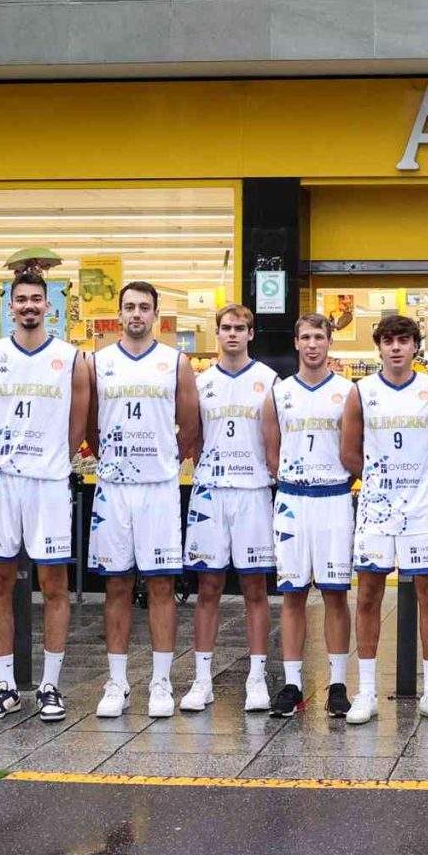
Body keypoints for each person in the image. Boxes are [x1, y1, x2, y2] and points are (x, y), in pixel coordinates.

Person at [0, 269, 88, 720]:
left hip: (49, 480)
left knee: (53, 584)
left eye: (36, 299)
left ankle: (50, 685)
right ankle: (5, 685)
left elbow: (78, 425)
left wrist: (53, 461)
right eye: (21, 299)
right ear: (10, 306)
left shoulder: (70, 357)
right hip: (1, 480)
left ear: (49, 306)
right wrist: (0, 456)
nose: (28, 307)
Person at [87, 281, 201, 718]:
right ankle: (117, 683)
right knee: (115, 584)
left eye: (144, 307)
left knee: (161, 585)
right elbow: (90, 425)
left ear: (156, 315)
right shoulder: (98, 364)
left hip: (158, 488)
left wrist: (162, 461)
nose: (137, 314)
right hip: (113, 487)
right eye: (130, 307)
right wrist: (113, 461)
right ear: (119, 314)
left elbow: (188, 426)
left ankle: (160, 681)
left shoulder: (175, 363)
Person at [344, 313, 428, 725]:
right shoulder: (361, 392)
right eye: (388, 340)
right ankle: (367, 691)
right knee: (369, 594)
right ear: (379, 347)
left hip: (421, 507)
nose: (395, 347)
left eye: (403, 340)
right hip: (376, 507)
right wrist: (379, 483)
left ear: (415, 346)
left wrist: (417, 480)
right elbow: (349, 453)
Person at [268, 312, 361, 719]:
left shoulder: (348, 391)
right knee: (293, 594)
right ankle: (292, 683)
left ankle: (338, 683)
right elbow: (271, 450)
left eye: (319, 337)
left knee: (336, 593)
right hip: (292, 498)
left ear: (329, 343)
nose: (312, 344)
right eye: (305, 337)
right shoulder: (279, 392)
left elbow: (355, 447)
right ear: (296, 342)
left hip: (334, 497)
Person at [188, 303, 279, 715]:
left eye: (240, 328)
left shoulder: (269, 380)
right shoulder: (200, 381)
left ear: (251, 334)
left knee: (254, 589)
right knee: (207, 588)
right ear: (217, 333)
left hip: (254, 490)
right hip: (211, 491)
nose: (232, 334)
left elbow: (275, 439)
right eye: (225, 328)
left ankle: (256, 678)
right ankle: (201, 679)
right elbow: (192, 437)